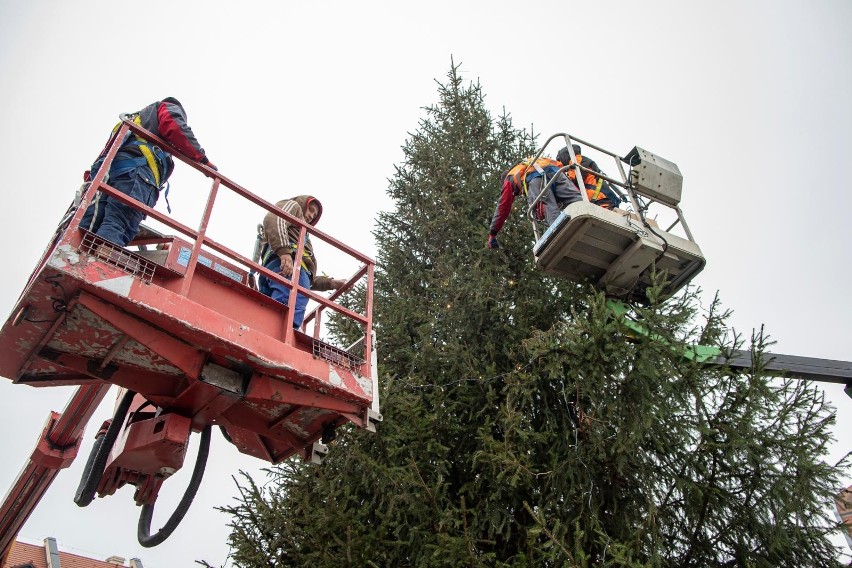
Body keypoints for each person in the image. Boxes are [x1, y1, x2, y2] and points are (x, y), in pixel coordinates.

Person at [81, 97, 215, 247]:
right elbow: (175, 127)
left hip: (113, 174)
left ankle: (82, 255)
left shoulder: (134, 123)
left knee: (93, 222)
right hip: (137, 175)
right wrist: (202, 159)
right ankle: (100, 264)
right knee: (120, 223)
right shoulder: (166, 107)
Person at [256, 195, 346, 328]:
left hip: (292, 274)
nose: (311, 216)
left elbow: (309, 278)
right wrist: (284, 253)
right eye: (310, 209)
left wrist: (331, 283)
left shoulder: (304, 238)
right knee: (283, 314)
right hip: (286, 269)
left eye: (314, 215)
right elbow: (275, 218)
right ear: (304, 204)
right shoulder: (294, 206)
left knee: (278, 315)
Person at [486, 156, 582, 249]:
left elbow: (503, 206)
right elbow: (560, 165)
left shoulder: (509, 177)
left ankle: (562, 240)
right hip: (556, 172)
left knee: (549, 210)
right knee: (577, 201)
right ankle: (588, 218)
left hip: (536, 179)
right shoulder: (532, 161)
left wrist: (493, 233)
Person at [556, 144, 621, 210]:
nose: (560, 164)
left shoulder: (576, 160)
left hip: (601, 199)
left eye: (559, 160)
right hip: (599, 199)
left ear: (565, 156)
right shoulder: (579, 160)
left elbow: (573, 180)